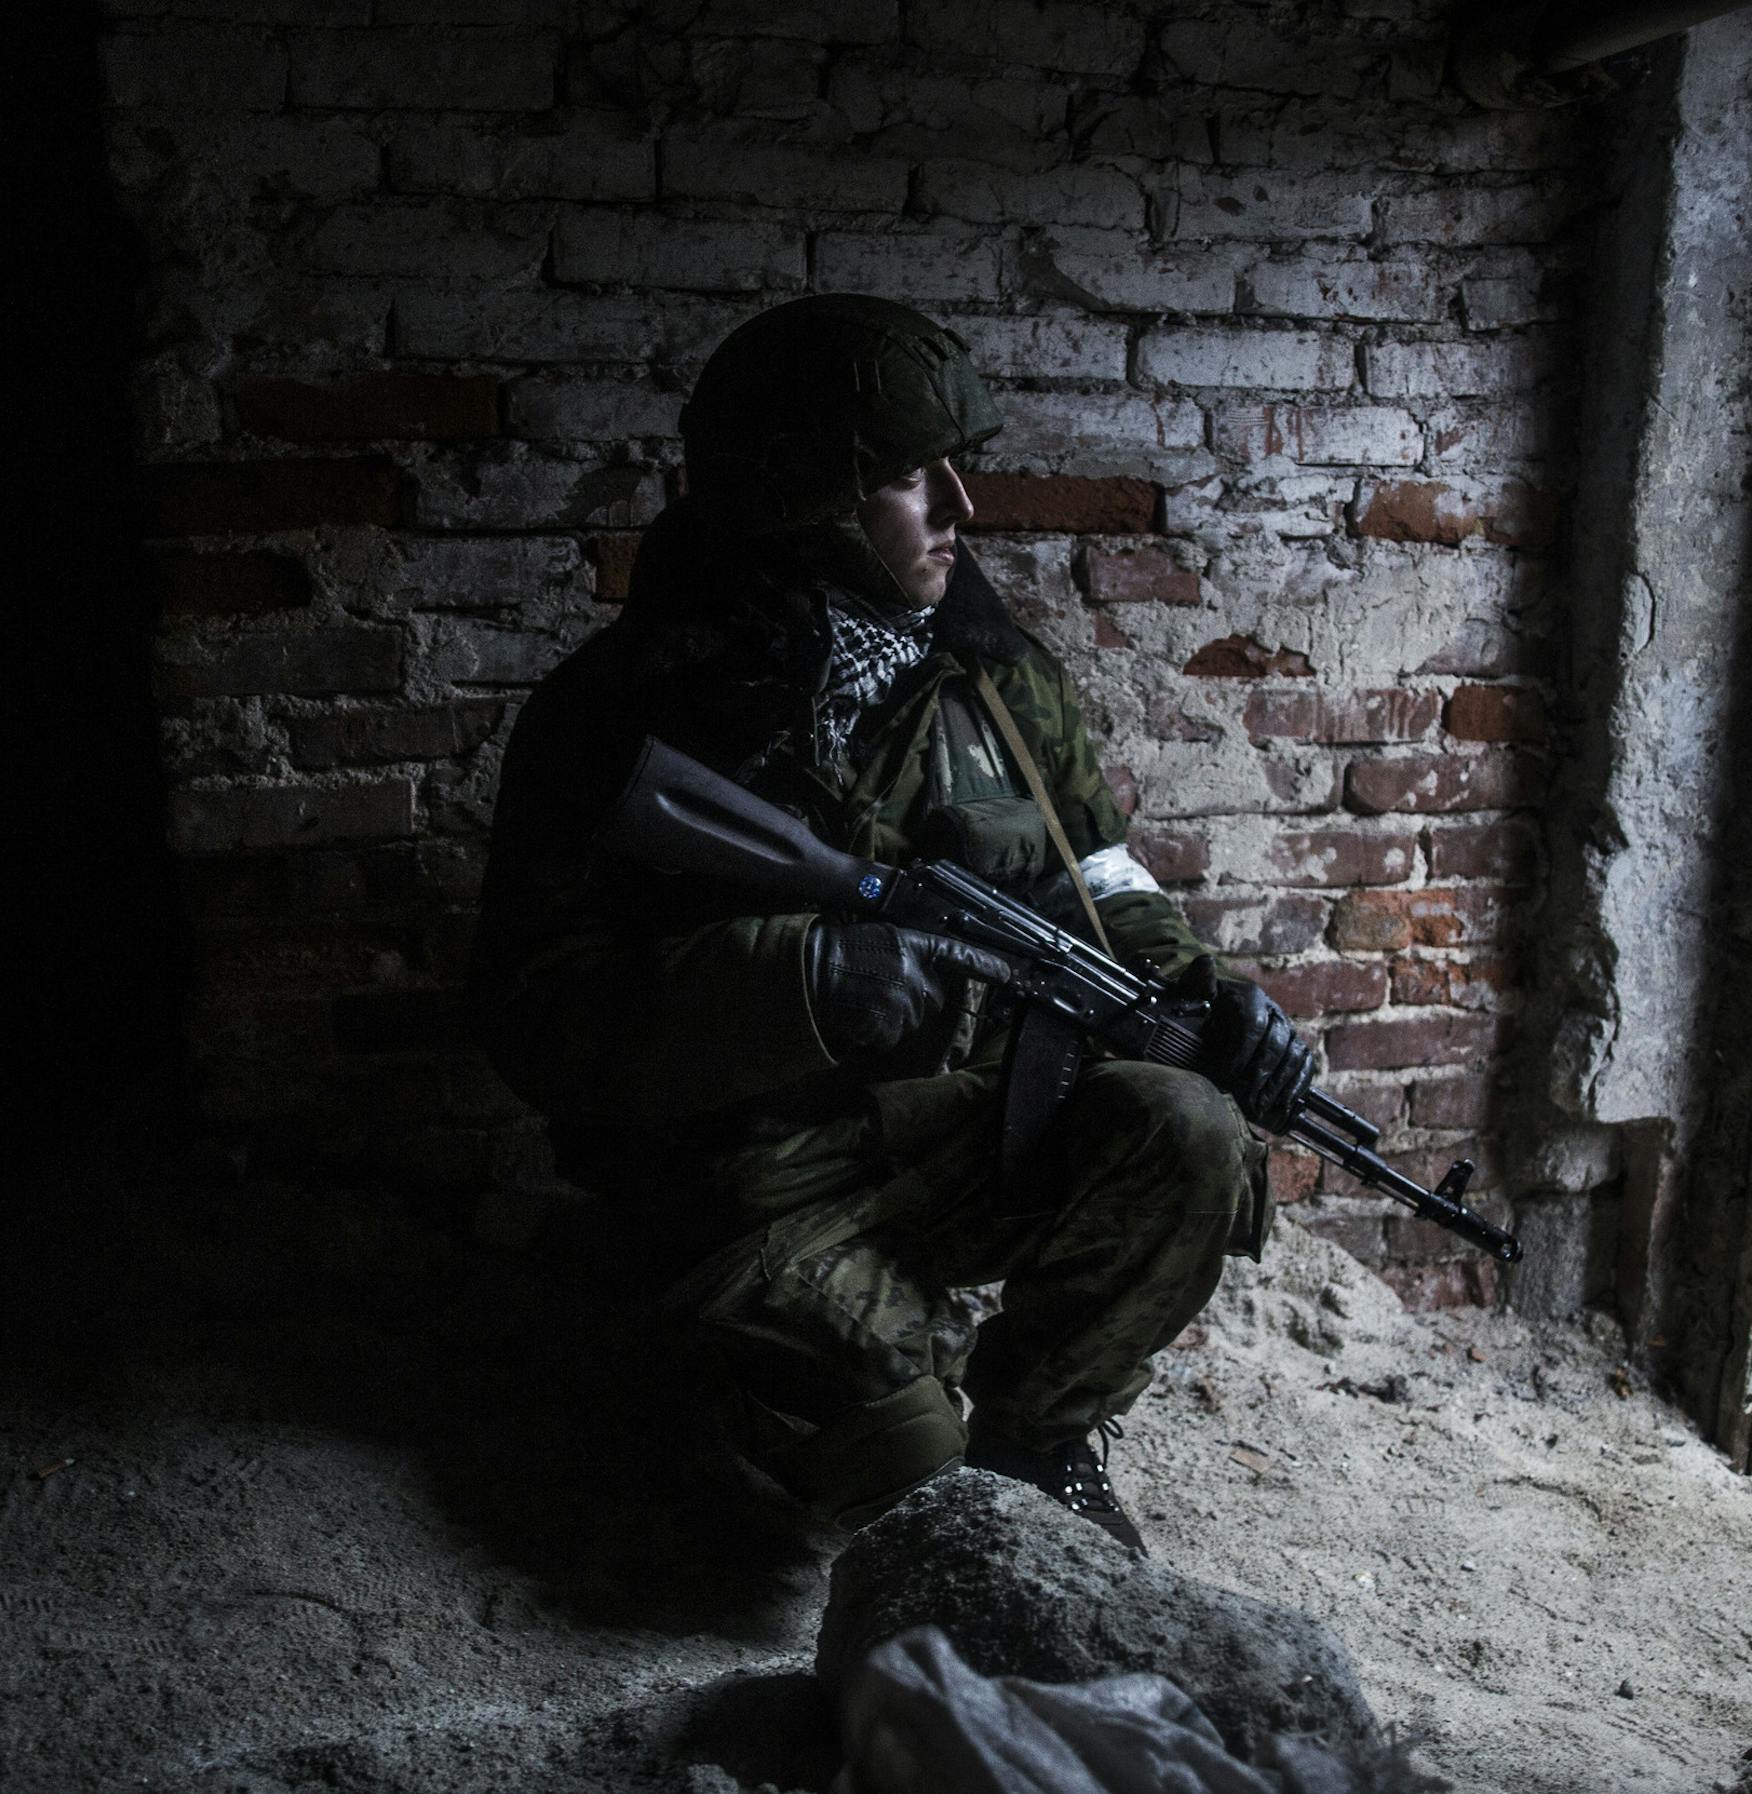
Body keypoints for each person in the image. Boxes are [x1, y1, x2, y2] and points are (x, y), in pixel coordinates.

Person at [473, 294, 1313, 1555]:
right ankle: (684, 1351)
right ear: (806, 494)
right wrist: (803, 981)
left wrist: (1209, 997)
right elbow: (537, 1017)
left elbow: (1102, 877)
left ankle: (1039, 1437)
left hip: (958, 1132)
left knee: (1190, 1132)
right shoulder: (628, 716)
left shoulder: (998, 676)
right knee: (903, 1499)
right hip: (745, 1189)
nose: (961, 510)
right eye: (914, 480)